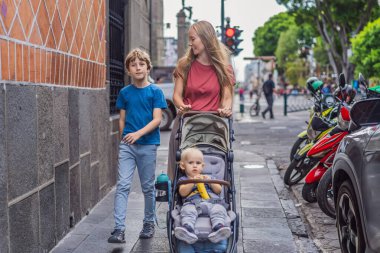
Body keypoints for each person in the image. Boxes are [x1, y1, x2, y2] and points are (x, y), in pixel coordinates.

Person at [108, 48, 167, 243]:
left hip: (148, 145)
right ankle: (119, 229)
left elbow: (157, 119)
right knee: (123, 185)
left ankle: (148, 223)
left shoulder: (155, 92)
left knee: (148, 187)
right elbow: (122, 119)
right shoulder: (125, 93)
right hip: (128, 146)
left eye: (141, 64)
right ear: (128, 70)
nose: (138, 67)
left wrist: (138, 134)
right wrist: (125, 136)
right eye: (133, 65)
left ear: (148, 68)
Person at [168, 20, 235, 180]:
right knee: (181, 170)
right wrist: (181, 105)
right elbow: (176, 95)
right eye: (189, 40)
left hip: (214, 125)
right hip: (187, 124)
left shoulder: (224, 69)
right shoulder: (184, 65)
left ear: (205, 38)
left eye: (193, 39)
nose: (190, 44)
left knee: (215, 167)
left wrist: (226, 108)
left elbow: (227, 96)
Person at [175, 148, 231, 245]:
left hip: (212, 203)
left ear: (202, 166)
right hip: (192, 203)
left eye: (198, 163)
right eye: (191, 163)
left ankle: (218, 228)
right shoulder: (183, 179)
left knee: (219, 210)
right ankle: (188, 229)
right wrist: (193, 182)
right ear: (183, 166)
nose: (195, 165)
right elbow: (183, 193)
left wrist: (210, 181)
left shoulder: (209, 178)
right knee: (187, 211)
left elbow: (218, 190)